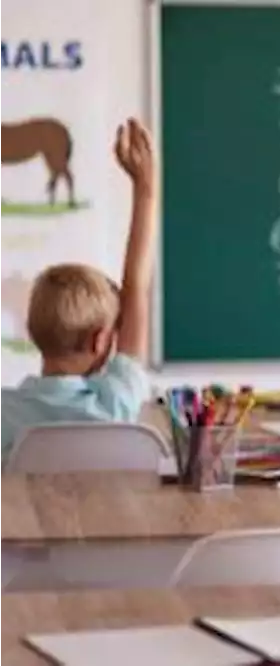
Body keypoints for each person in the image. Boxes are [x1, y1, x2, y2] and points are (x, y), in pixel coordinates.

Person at [0, 119, 157, 461]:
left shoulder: (4, 413)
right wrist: (145, 187)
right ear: (101, 340)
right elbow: (136, 288)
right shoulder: (114, 404)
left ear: (31, 331)